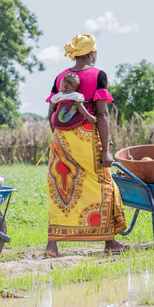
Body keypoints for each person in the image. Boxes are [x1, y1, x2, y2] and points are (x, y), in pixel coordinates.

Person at [44, 33, 128, 257]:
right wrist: (106, 150)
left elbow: (51, 112)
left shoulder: (61, 76)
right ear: (91, 53)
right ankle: (110, 242)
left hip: (62, 141)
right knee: (102, 184)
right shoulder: (98, 75)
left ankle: (52, 245)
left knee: (62, 188)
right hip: (87, 140)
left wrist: (59, 138)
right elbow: (102, 114)